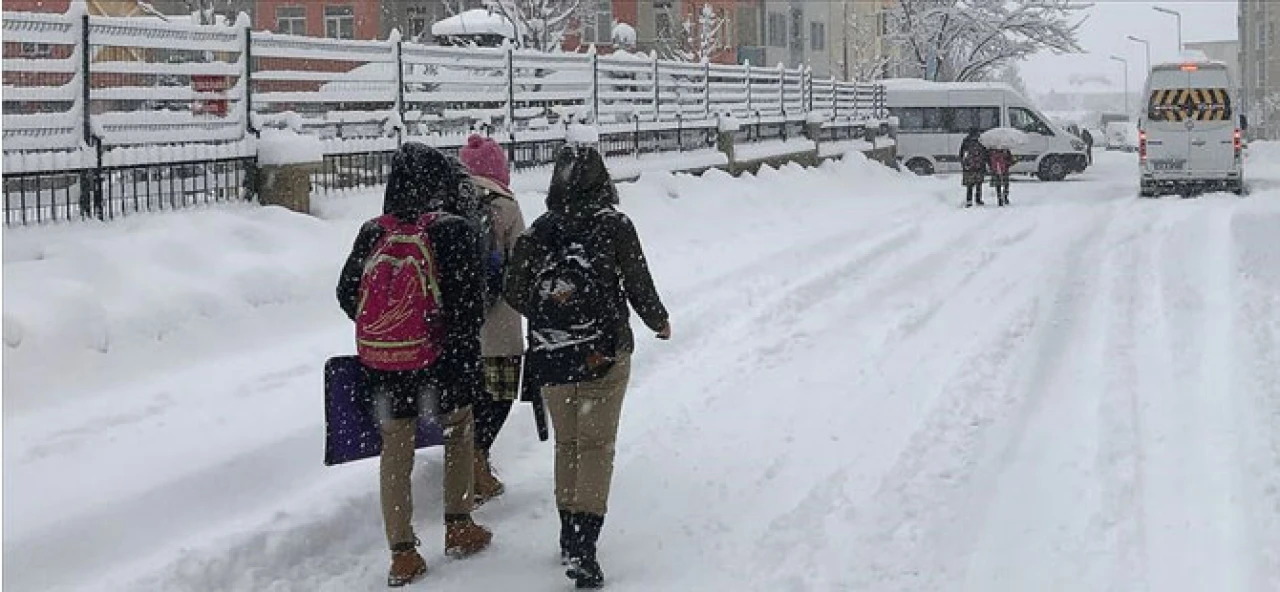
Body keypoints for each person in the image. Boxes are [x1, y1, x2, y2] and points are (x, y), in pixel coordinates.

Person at [504, 143, 670, 589]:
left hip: (552, 355)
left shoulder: (540, 230)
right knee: (596, 448)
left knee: (568, 445)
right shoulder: (614, 225)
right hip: (603, 353)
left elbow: (513, 290)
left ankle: (567, 533)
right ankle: (584, 544)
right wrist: (658, 320)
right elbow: (637, 280)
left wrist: (548, 310)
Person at [336, 142, 492, 588]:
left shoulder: (372, 231)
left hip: (383, 365)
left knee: (395, 451)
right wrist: (444, 341)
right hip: (440, 362)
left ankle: (402, 553)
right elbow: (469, 306)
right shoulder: (452, 230)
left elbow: (347, 294)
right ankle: (459, 524)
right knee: (459, 431)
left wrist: (390, 326)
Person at [459, 134, 527, 504]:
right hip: (499, 322)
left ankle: (465, 461)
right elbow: (524, 261)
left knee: (465, 397)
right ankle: (478, 458)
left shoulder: (447, 201)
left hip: (458, 323)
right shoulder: (506, 204)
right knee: (498, 395)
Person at [959, 128, 989, 207]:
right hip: (979, 165)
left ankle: (969, 200)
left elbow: (961, 152)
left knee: (970, 184)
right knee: (979, 184)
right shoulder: (981, 140)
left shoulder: (966, 140)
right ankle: (978, 199)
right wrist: (986, 162)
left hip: (969, 165)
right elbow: (985, 152)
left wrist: (963, 163)